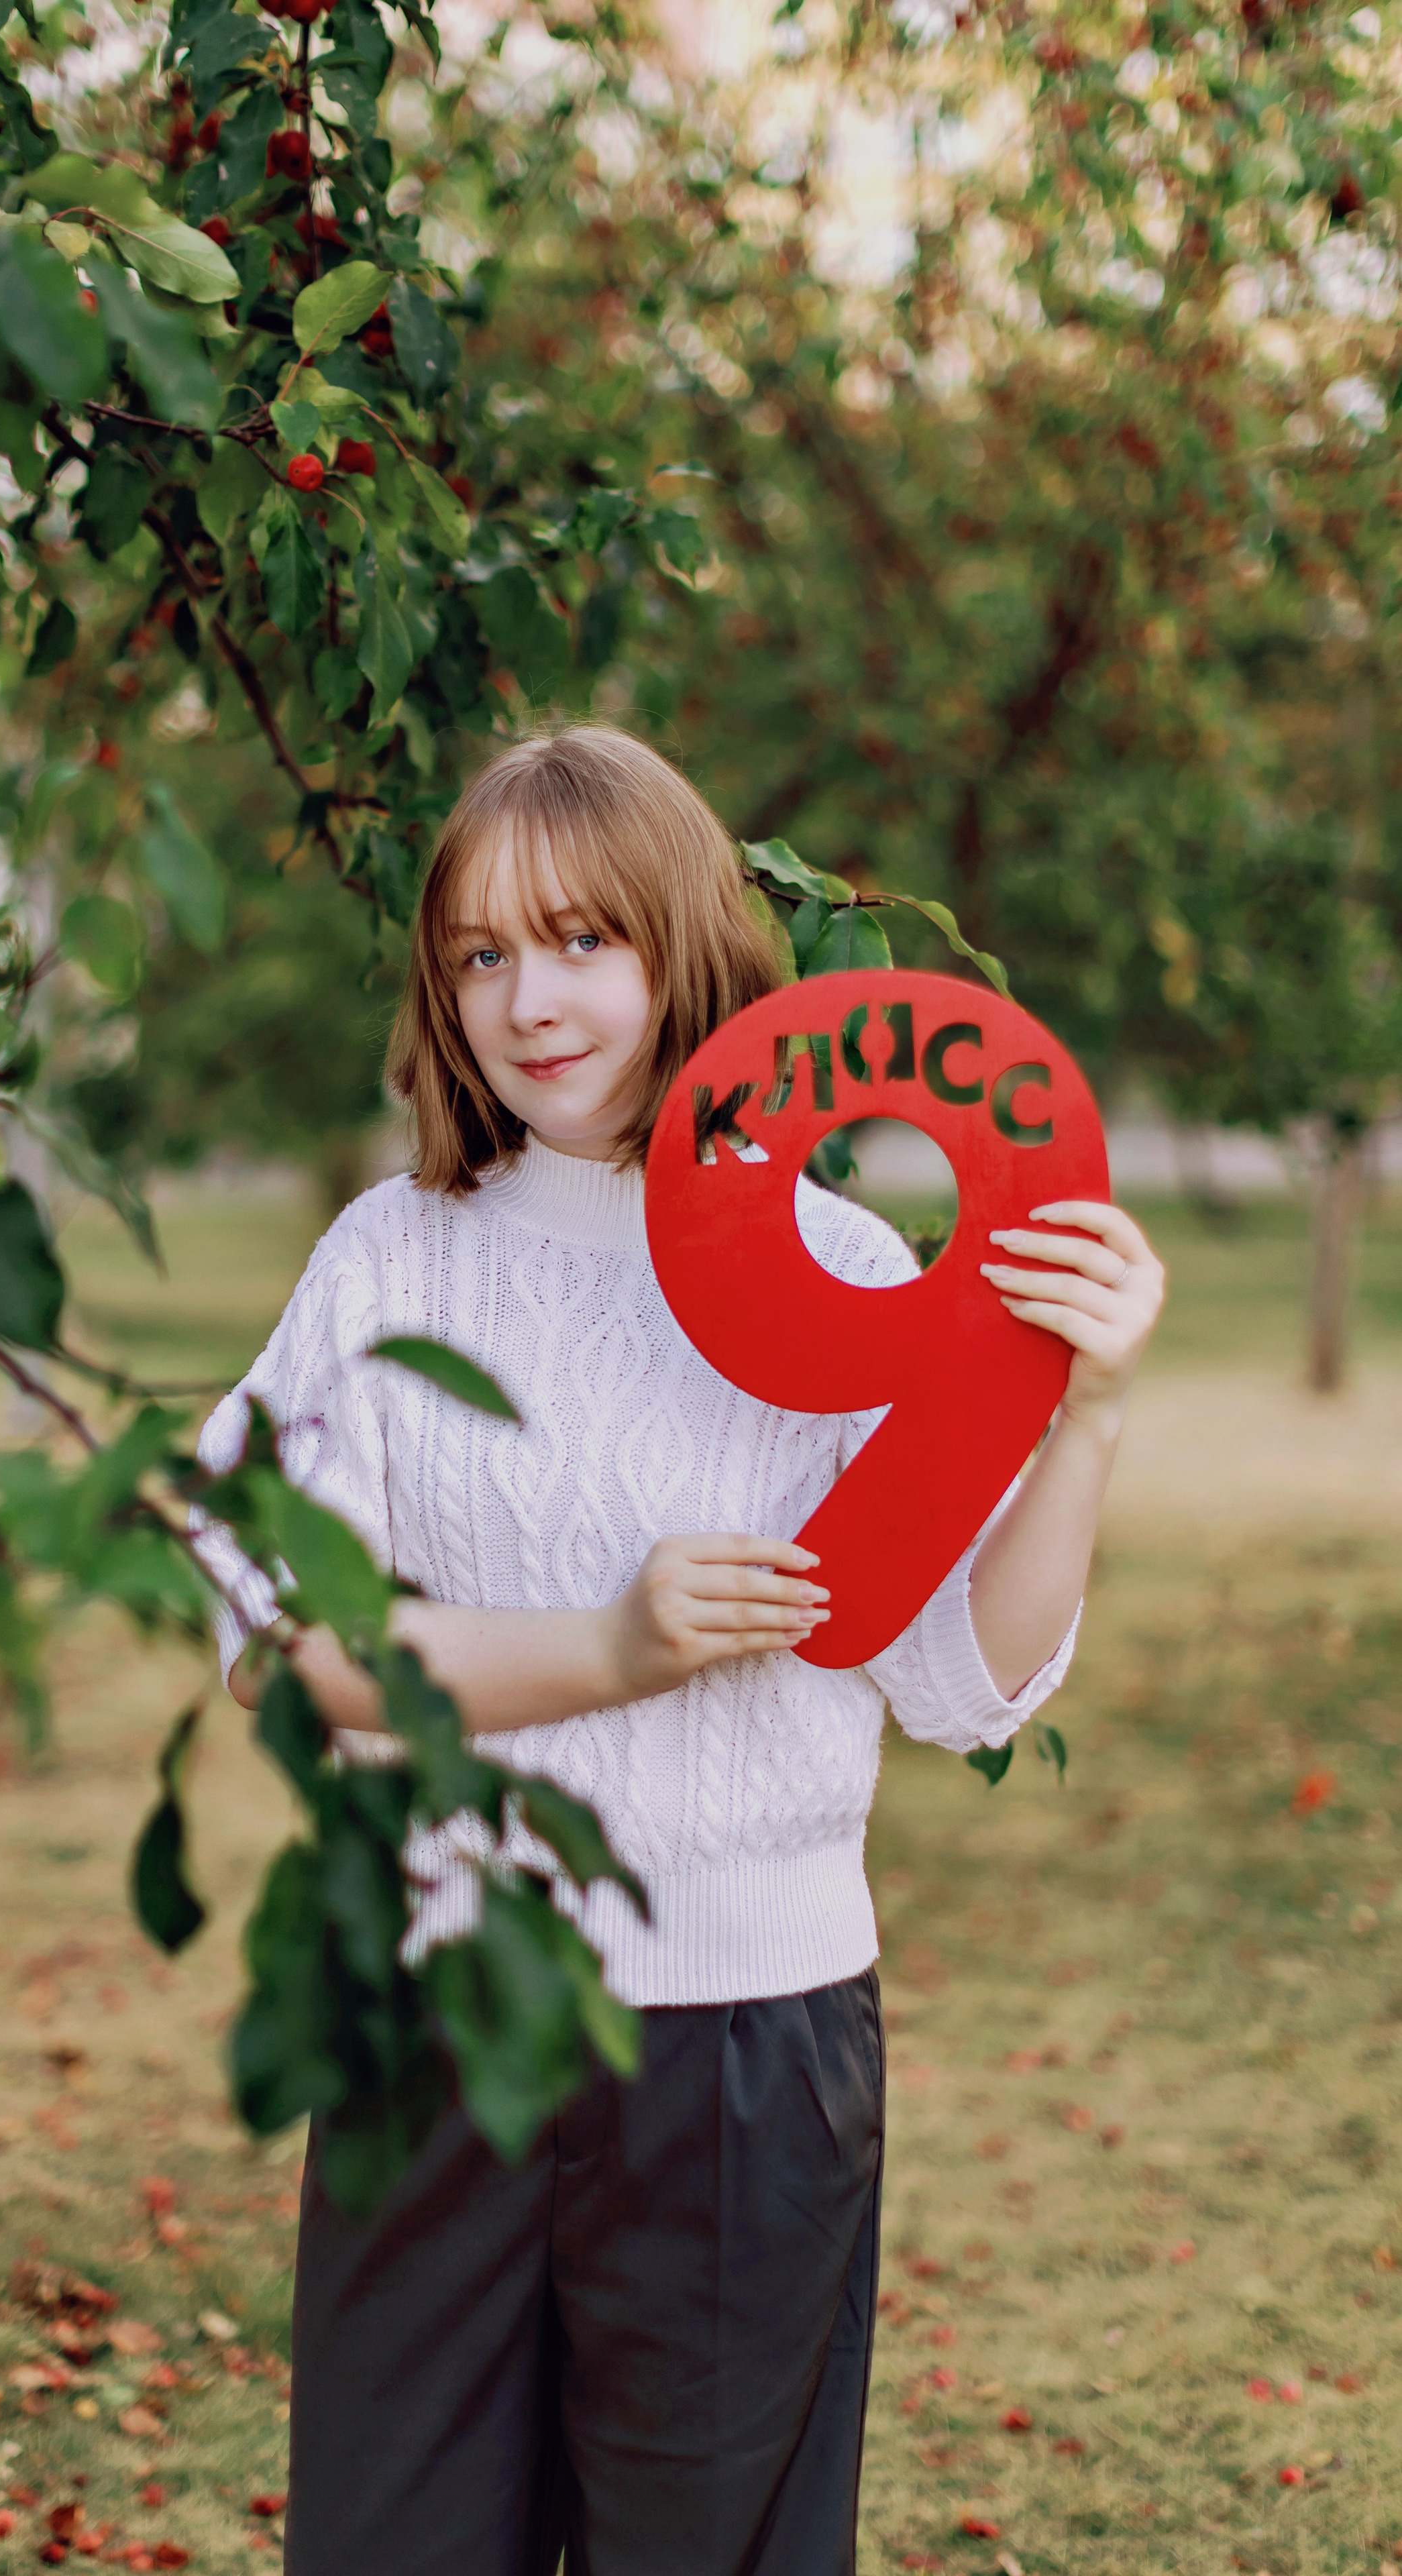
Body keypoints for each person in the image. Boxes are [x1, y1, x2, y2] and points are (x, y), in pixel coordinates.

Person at [195, 724, 1165, 2576]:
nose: (527, 1002)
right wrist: (608, 1646)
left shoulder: (855, 1268)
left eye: (579, 941)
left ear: (686, 947)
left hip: (747, 2053)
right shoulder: (398, 1260)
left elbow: (961, 1680)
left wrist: (1090, 1412)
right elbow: (282, 1637)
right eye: (479, 955)